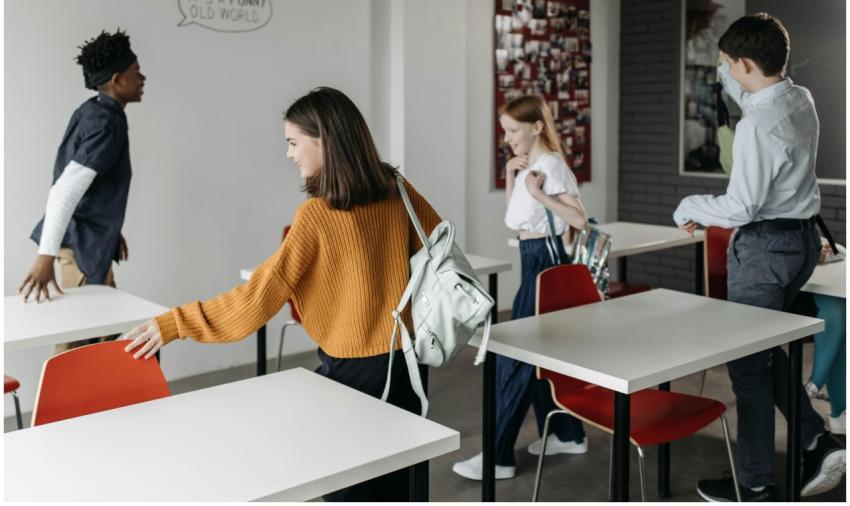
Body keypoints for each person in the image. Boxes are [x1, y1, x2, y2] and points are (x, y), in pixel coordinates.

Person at [123, 86, 441, 502]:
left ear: (325, 140)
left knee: (349, 487)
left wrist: (174, 323)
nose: (290, 154)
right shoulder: (396, 189)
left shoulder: (316, 216)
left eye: (294, 143)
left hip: (355, 370)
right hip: (408, 361)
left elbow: (257, 299)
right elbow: (437, 245)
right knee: (400, 482)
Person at [673, 13, 845, 501]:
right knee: (771, 354)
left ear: (745, 62)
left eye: (728, 64)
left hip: (764, 249)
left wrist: (690, 206)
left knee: (749, 367)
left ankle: (756, 484)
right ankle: (815, 440)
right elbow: (756, 94)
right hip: (802, 245)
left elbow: (741, 206)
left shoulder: (752, 128)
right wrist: (733, 78)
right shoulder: (799, 98)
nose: (724, 71)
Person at [453, 95, 589, 481]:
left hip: (545, 267)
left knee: (514, 360)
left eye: (513, 130)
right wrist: (513, 176)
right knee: (535, 357)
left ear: (536, 127)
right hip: (535, 263)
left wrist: (541, 194)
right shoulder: (535, 167)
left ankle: (497, 457)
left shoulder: (553, 167)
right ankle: (567, 434)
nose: (508, 138)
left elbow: (578, 219)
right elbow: (516, 220)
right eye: (505, 131)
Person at [19, 28, 145, 354]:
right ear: (117, 81)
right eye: (136, 72)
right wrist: (44, 257)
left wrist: (110, 228)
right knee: (82, 344)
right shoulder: (106, 123)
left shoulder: (95, 111)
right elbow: (64, 191)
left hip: (90, 241)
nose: (143, 78)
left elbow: (90, 187)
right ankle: (70, 405)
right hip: (81, 248)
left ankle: (99, 404)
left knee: (100, 336)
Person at [802, 240, 846, 435]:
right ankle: (838, 410)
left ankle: (838, 409)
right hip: (779, 289)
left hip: (809, 275)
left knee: (840, 307)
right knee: (836, 307)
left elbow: (839, 251)